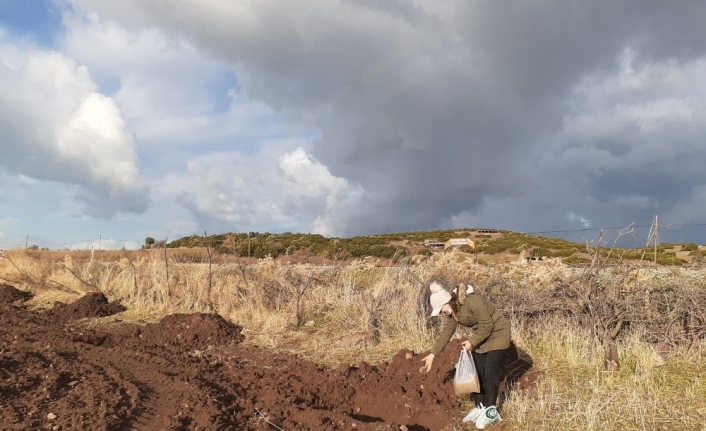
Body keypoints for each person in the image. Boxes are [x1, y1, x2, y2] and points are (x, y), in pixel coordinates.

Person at [420, 282, 511, 429]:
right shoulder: (454, 313)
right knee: (478, 371)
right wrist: (432, 354)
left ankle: (491, 410)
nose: (441, 313)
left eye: (441, 310)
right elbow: (446, 335)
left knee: (490, 372)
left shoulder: (473, 302)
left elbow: (488, 324)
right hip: (483, 337)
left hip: (498, 334)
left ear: (447, 302)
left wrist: (472, 342)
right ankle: (480, 406)